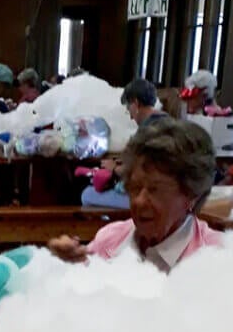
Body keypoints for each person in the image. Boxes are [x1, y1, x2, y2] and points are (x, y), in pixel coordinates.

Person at [50, 118, 222, 272]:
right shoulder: (110, 240)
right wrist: (64, 268)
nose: (139, 201)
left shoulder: (216, 261)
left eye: (155, 190)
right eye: (135, 187)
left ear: (191, 196)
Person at [81, 78, 168, 209]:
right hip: (168, 195)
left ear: (135, 103)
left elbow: (140, 173)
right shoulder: (168, 122)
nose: (131, 116)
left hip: (151, 197)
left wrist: (114, 168)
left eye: (128, 108)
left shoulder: (147, 131)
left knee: (87, 195)